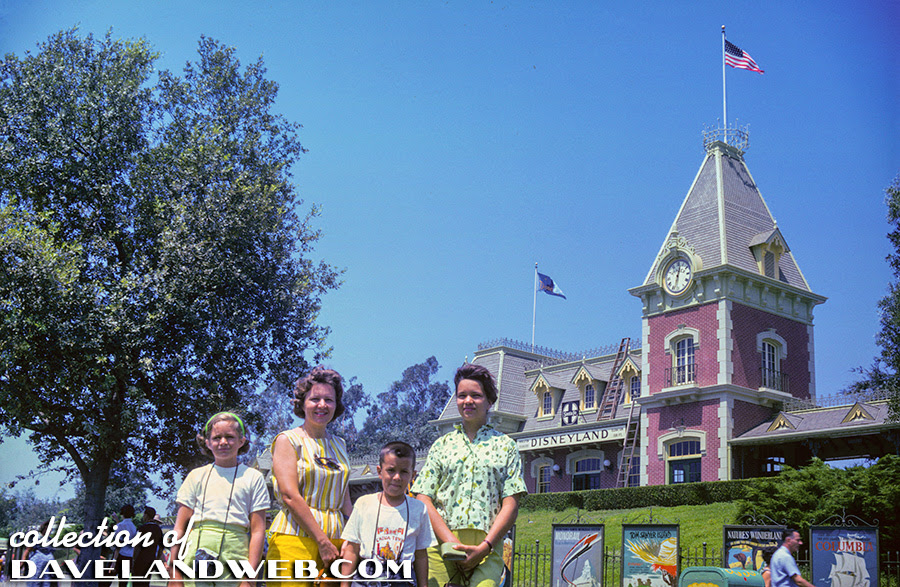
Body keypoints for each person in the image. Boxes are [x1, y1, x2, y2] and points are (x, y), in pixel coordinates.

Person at [412, 363, 527, 587]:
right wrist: (450, 543)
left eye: (476, 395)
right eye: (462, 395)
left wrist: (485, 547)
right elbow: (423, 497)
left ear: (489, 401)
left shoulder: (506, 446)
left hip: (487, 548)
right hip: (441, 547)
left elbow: (511, 504)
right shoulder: (442, 445)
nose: (468, 401)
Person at [267, 367, 352, 585]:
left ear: (336, 405)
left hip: (336, 543)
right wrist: (322, 541)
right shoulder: (287, 440)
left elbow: (343, 498)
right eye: (315, 399)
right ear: (302, 403)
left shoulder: (340, 444)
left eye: (329, 400)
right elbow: (289, 496)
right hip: (295, 538)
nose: (322, 405)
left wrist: (354, 537)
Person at [169, 412, 270, 587]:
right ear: (207, 443)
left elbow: (258, 531)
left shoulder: (253, 477)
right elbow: (180, 527)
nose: (223, 442)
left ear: (241, 441)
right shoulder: (196, 476)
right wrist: (174, 571)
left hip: (235, 556)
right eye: (216, 438)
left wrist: (249, 578)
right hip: (196, 553)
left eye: (229, 437)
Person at [340, 441, 434, 587]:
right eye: (391, 470)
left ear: (413, 475)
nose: (397, 477)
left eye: (404, 472)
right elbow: (352, 550)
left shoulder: (418, 509)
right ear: (379, 472)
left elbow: (421, 554)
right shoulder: (364, 504)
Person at [132, 506, 165, 587]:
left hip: (140, 559)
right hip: (151, 559)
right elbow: (161, 547)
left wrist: (134, 559)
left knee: (137, 582)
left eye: (144, 514)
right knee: (146, 582)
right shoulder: (158, 530)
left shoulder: (143, 528)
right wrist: (157, 558)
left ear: (146, 515)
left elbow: (137, 546)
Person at [114, 504, 138, 584]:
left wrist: (114, 561)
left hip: (120, 556)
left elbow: (118, 545)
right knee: (123, 583)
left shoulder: (120, 525)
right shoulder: (133, 527)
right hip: (129, 556)